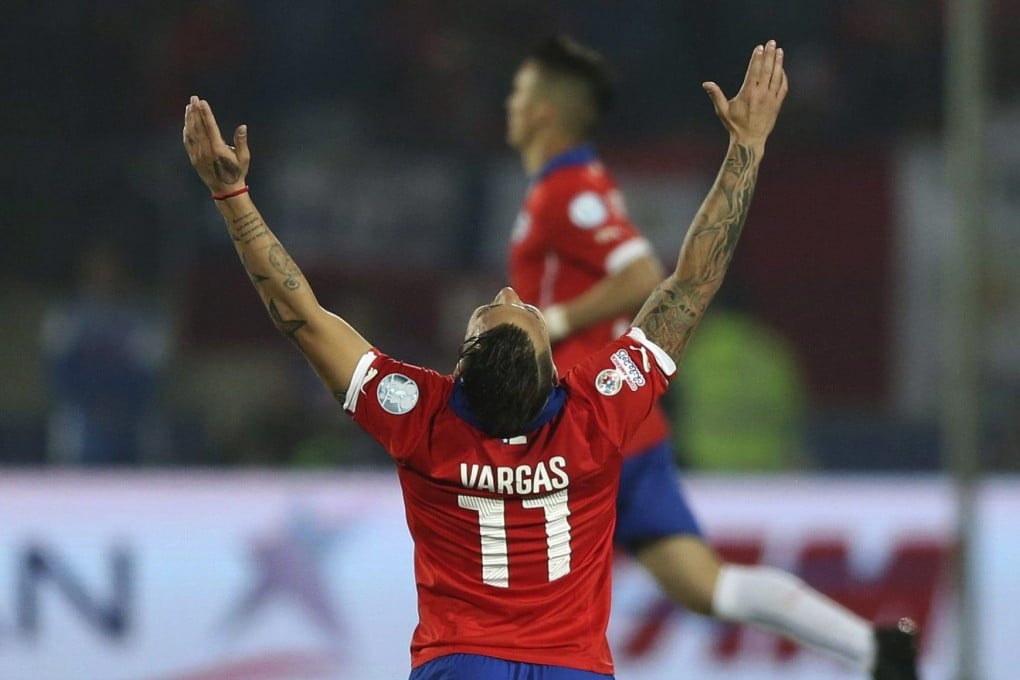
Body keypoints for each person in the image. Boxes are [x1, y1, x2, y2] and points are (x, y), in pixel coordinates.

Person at [504, 35, 918, 679]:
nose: (510, 105)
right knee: (707, 587)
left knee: (511, 595)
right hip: (623, 428)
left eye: (521, 94)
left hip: (579, 430)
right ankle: (875, 651)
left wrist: (546, 324)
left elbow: (642, 274)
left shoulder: (568, 191)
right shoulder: (567, 188)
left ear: (545, 112)